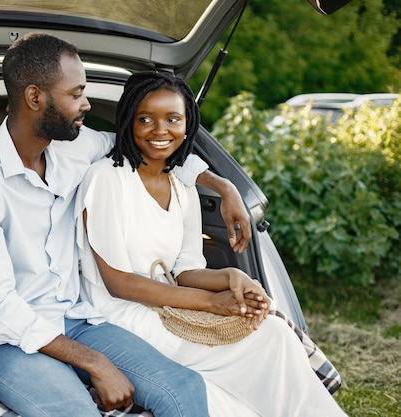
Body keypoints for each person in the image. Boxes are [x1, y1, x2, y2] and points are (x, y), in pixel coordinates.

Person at [0, 32, 256, 417]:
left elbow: (142, 146)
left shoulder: (73, 147)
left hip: (76, 319)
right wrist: (95, 363)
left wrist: (224, 187)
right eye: (75, 94)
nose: (86, 103)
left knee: (183, 389)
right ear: (34, 97)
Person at [75, 70, 348, 417]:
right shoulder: (107, 179)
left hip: (170, 307)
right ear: (129, 121)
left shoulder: (181, 185)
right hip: (121, 318)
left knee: (275, 333)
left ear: (188, 125)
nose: (160, 131)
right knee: (249, 348)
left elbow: (186, 270)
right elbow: (119, 284)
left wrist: (233, 279)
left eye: (173, 119)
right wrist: (211, 303)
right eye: (146, 119)